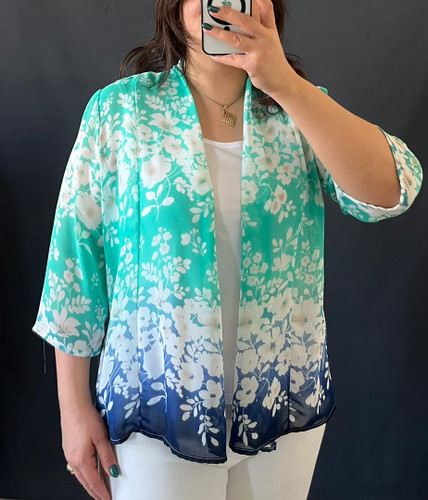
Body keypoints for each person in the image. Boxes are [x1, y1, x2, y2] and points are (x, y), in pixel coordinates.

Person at [32, 0, 423, 499]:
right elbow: (74, 261)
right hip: (158, 398)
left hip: (282, 396)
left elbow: (391, 192)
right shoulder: (121, 112)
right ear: (174, 8)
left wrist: (284, 84)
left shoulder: (297, 111)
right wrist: (72, 408)